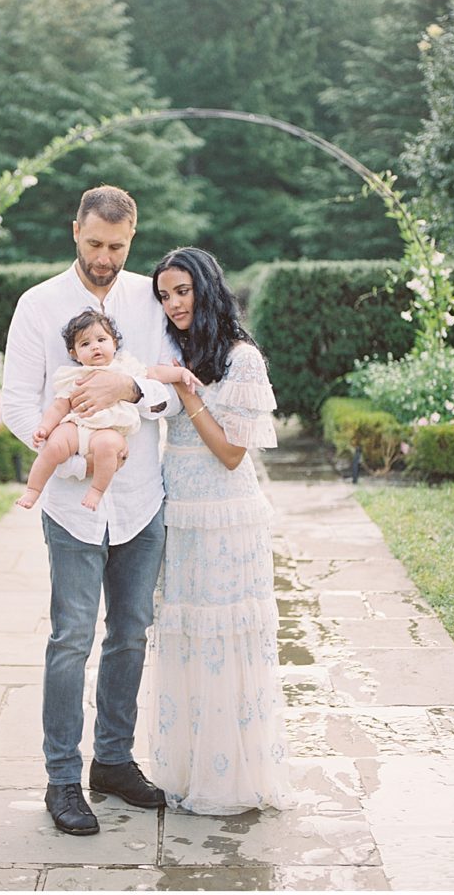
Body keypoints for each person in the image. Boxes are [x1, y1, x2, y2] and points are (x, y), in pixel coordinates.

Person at [2, 185, 183, 837]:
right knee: (70, 639)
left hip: (141, 503)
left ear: (132, 238)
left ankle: (112, 760)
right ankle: (60, 778)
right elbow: (19, 405)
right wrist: (80, 456)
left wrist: (130, 386)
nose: (105, 257)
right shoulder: (38, 304)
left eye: (118, 246)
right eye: (94, 243)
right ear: (75, 229)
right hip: (72, 506)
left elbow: (175, 389)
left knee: (131, 633)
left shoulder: (150, 297)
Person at [147, 246, 293, 815]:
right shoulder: (174, 349)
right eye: (164, 295)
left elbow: (232, 452)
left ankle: (232, 776)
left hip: (227, 518)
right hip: (181, 516)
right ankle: (189, 768)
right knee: (186, 639)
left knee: (224, 643)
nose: (173, 303)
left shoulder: (240, 358)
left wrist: (188, 391)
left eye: (181, 291)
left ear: (205, 289)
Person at [18, 309, 198, 512]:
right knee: (54, 445)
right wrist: (44, 427)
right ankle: (33, 489)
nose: (95, 347)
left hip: (109, 430)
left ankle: (96, 490)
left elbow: (155, 372)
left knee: (108, 447)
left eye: (101, 340)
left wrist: (180, 372)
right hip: (77, 426)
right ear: (74, 354)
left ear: (114, 343)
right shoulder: (73, 375)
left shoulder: (124, 367)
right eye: (85, 344)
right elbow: (60, 405)